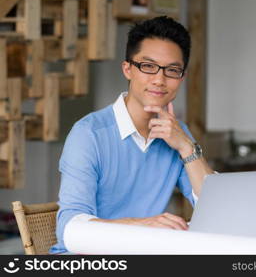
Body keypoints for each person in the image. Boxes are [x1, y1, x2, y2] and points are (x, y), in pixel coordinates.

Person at [50, 16, 214, 253]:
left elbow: (213, 209)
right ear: (128, 69)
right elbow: (70, 228)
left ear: (181, 78)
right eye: (148, 66)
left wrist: (187, 148)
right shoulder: (89, 134)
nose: (159, 80)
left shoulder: (177, 134)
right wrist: (141, 227)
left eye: (172, 70)